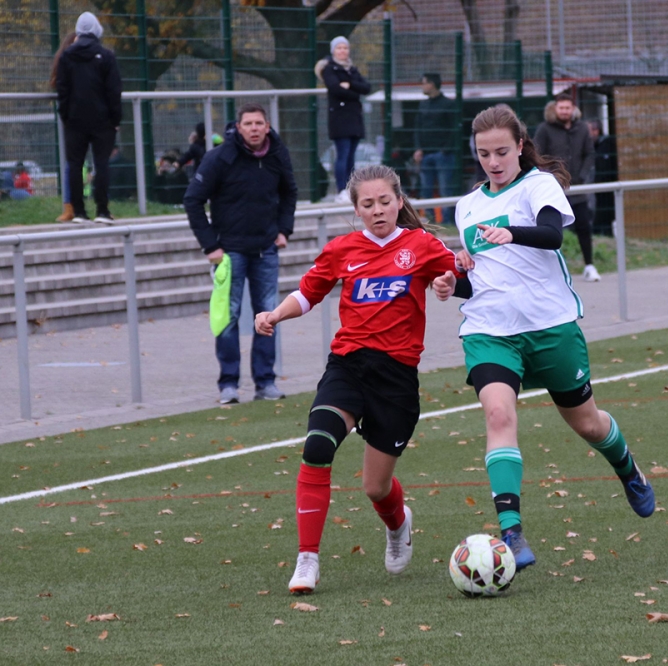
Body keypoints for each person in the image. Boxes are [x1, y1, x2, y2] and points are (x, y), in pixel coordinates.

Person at [432, 105, 657, 573]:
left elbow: (553, 236)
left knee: (588, 424)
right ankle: (511, 532)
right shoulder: (467, 205)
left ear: (519, 146)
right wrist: (454, 284)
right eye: (483, 154)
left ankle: (627, 469)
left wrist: (510, 232)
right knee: (498, 414)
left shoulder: (539, 186)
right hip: (490, 330)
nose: (493, 162)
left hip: (550, 326)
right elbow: (485, 279)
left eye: (501, 151)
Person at [253, 165, 463, 595]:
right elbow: (308, 292)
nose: (378, 210)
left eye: (385, 201)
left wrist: (448, 283)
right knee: (317, 445)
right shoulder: (342, 249)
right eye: (368, 204)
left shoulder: (421, 245)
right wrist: (275, 314)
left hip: (396, 377)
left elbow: (459, 275)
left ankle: (398, 524)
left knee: (375, 486)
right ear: (357, 210)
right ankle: (307, 559)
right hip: (348, 365)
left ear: (399, 202)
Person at [184, 102, 297, 404]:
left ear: (267, 126)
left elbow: (290, 192)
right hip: (229, 252)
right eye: (248, 124)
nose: (254, 129)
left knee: (268, 315)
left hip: (266, 249)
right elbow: (193, 200)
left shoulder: (277, 154)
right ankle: (228, 384)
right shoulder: (219, 157)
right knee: (228, 317)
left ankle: (265, 382)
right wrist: (211, 245)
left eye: (259, 123)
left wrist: (284, 230)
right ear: (238, 127)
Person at [56, 12, 122, 224]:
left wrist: (66, 115)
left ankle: (79, 212)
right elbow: (114, 91)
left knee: (75, 164)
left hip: (75, 119)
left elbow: (62, 89)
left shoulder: (67, 56)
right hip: (102, 120)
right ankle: (102, 210)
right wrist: (115, 119)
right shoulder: (106, 56)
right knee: (101, 163)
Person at [533, 93, 599, 282]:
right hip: (553, 189)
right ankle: (552, 271)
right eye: (561, 108)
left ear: (573, 109)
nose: (564, 111)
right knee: (552, 230)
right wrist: (550, 177)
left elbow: (589, 153)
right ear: (555, 109)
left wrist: (582, 175)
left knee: (584, 226)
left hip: (577, 188)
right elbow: (537, 155)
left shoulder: (583, 129)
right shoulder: (544, 129)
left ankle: (589, 265)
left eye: (567, 108)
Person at [317, 36, 371, 203]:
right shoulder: (329, 69)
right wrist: (355, 91)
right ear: (333, 50)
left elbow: (366, 87)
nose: (342, 51)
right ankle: (341, 189)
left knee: (351, 156)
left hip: (354, 117)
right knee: (343, 154)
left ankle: (350, 188)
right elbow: (335, 89)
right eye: (339, 48)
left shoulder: (352, 69)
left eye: (345, 48)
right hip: (339, 118)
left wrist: (350, 85)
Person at [413, 73, 457, 224]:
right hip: (426, 154)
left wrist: (445, 150)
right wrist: (418, 148)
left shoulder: (448, 104)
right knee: (426, 189)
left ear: (431, 84)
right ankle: (430, 221)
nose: (422, 86)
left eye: (424, 83)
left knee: (445, 189)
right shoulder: (423, 105)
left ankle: (446, 221)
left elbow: (454, 129)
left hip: (443, 154)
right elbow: (417, 128)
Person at [50, 31, 78, 222]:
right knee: (72, 161)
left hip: (90, 114)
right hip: (74, 116)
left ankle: (102, 206)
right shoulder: (65, 61)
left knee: (99, 161)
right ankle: (70, 206)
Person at [588, 119, 618, 236]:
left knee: (604, 213)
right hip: (597, 186)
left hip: (606, 186)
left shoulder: (607, 145)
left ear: (596, 131)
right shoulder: (594, 146)